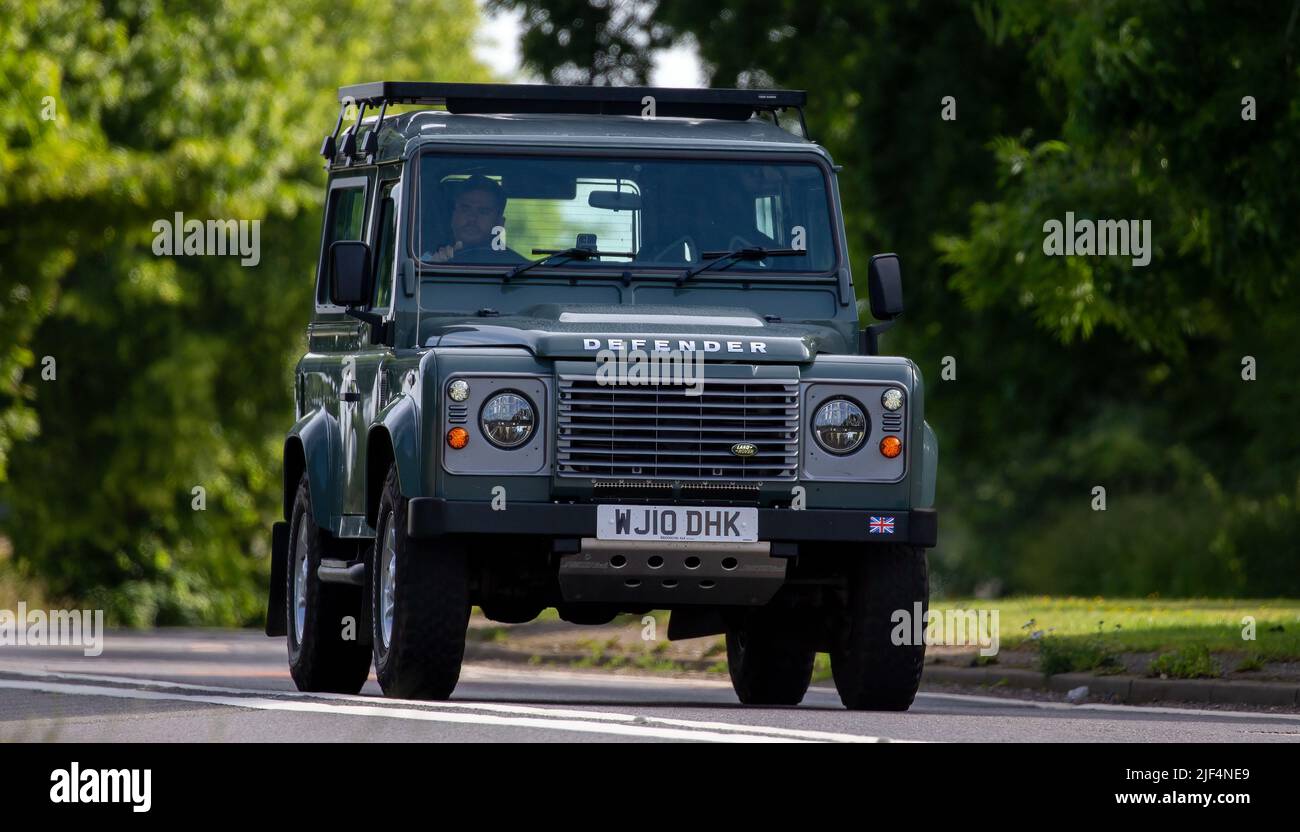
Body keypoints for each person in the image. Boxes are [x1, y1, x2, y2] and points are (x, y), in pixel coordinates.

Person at [422, 175, 527, 264]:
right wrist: (434, 268)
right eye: (465, 209)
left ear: (500, 223)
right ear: (453, 216)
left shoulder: (517, 266)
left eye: (483, 211)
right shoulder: (425, 261)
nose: (472, 218)